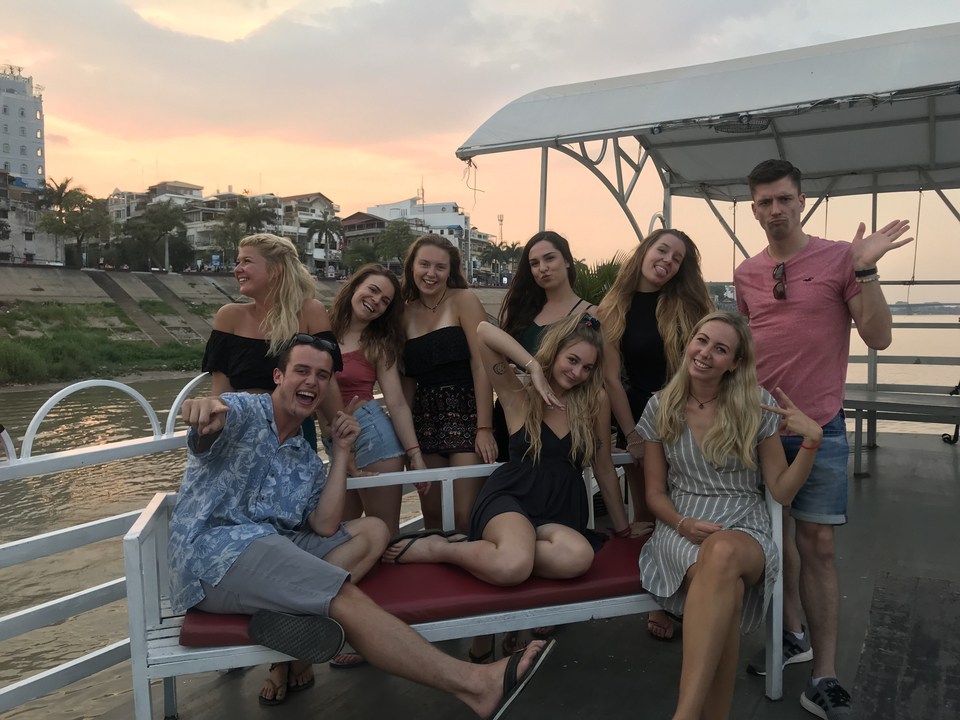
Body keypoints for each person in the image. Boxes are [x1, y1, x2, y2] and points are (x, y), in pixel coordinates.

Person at [170, 335, 554, 714]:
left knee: (374, 530)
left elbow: (324, 525)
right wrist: (201, 409)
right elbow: (209, 423)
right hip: (215, 557)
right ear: (277, 376)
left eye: (322, 376)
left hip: (273, 547)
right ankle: (474, 685)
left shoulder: (304, 458)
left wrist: (340, 450)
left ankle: (287, 610)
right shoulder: (242, 411)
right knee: (342, 596)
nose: (312, 382)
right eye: (301, 371)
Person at [734, 159, 912, 719]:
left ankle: (824, 675)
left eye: (784, 198)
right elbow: (744, 351)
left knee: (819, 547)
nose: (775, 210)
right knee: (774, 542)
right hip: (760, 427)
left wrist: (864, 271)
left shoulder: (840, 257)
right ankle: (791, 635)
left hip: (820, 423)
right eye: (764, 202)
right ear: (755, 208)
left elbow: (879, 337)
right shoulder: (745, 273)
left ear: (802, 200)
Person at [637, 311, 822, 720]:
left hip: (745, 527)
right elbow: (654, 493)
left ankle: (683, 715)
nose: (705, 353)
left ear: (735, 362)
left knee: (721, 555)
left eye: (720, 349)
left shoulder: (757, 406)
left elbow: (780, 490)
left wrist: (811, 443)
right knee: (728, 592)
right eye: (701, 341)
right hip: (679, 527)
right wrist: (683, 524)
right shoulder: (660, 406)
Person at [383, 313, 648, 594]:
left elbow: (604, 468)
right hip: (512, 498)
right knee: (512, 565)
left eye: (587, 367)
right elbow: (483, 331)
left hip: (561, 509)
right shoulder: (518, 393)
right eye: (572, 360)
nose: (578, 373)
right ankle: (441, 549)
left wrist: (623, 529)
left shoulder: (594, 400)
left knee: (577, 558)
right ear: (555, 351)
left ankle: (496, 549)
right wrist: (532, 367)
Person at [200, 232, 355, 694]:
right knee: (251, 540)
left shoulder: (308, 312)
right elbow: (219, 392)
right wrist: (210, 436)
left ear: (276, 269)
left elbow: (322, 383)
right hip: (240, 449)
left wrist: (340, 440)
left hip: (293, 443)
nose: (237, 268)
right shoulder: (229, 316)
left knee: (288, 538)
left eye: (246, 261)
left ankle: (286, 658)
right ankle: (290, 655)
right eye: (237, 260)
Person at [596, 228, 713, 641]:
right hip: (641, 418)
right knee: (649, 513)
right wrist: (633, 435)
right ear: (645, 251)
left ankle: (697, 589)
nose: (667, 260)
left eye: (677, 258)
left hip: (689, 414)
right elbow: (611, 379)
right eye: (662, 250)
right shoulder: (613, 308)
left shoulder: (691, 304)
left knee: (693, 505)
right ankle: (660, 600)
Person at [492, 230, 597, 654]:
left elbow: (603, 374)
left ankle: (504, 558)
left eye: (549, 259)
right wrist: (534, 367)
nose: (542, 269)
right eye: (534, 263)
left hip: (568, 427)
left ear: (568, 260)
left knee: (549, 552)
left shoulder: (592, 316)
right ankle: (505, 562)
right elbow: (489, 357)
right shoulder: (525, 312)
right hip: (523, 415)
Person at [401, 234, 498, 532]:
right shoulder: (402, 314)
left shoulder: (463, 300)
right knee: (432, 516)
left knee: (464, 516)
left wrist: (484, 427)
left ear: (451, 270)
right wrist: (406, 442)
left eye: (440, 267)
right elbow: (406, 380)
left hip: (467, 415)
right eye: (424, 265)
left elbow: (481, 366)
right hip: (425, 419)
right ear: (412, 267)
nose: (431, 274)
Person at [327, 264, 427, 535]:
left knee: (385, 534)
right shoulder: (321, 331)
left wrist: (414, 455)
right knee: (337, 533)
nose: (375, 302)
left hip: (372, 439)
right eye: (372, 290)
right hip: (335, 442)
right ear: (354, 286)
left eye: (385, 301)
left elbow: (395, 402)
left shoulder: (377, 344)